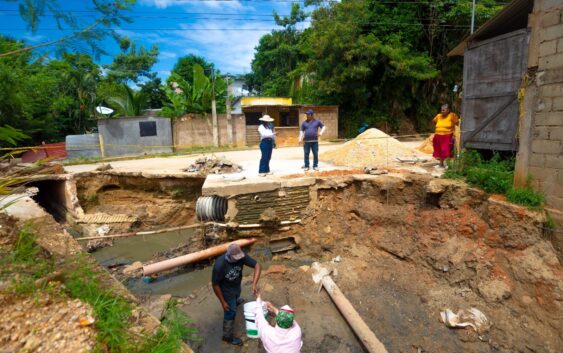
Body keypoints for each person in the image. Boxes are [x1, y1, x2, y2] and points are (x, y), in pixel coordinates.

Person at [212, 243, 262, 346]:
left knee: (237, 295)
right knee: (230, 312)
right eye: (236, 258)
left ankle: (235, 301)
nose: (239, 259)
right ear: (229, 255)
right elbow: (215, 285)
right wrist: (223, 302)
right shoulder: (220, 265)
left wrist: (254, 284)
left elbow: (257, 265)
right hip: (226, 290)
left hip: (236, 285)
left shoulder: (241, 256)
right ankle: (227, 336)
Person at [432, 104, 459, 168]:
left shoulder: (452, 115)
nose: (442, 110)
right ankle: (441, 164)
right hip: (438, 135)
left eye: (444, 109)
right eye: (441, 109)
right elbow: (434, 121)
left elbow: (457, 123)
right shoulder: (438, 116)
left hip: (447, 135)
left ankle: (446, 164)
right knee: (439, 150)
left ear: (448, 110)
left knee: (446, 150)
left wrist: (454, 133)